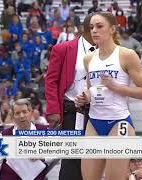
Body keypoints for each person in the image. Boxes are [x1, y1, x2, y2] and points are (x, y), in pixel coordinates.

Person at [75, 12, 142, 180]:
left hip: (119, 122)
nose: (94, 30)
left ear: (112, 29)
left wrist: (116, 87)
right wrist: (84, 97)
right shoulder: (88, 59)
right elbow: (92, 90)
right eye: (91, 27)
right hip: (94, 122)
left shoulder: (127, 55)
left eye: (99, 26)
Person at [45, 14, 95, 180]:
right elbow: (51, 81)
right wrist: (53, 109)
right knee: (72, 156)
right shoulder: (63, 49)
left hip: (99, 111)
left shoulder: (109, 50)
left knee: (94, 155)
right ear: (86, 29)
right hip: (71, 110)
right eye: (95, 27)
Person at [0, 98, 49, 180]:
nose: (21, 116)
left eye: (24, 112)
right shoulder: (4, 135)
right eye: (17, 113)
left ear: (30, 112)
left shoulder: (44, 131)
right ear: (13, 116)